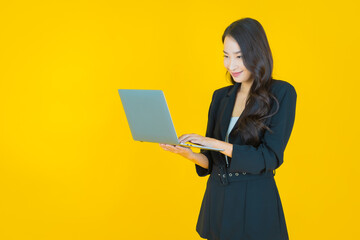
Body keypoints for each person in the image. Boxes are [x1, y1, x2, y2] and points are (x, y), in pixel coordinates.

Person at [159, 17, 296, 240]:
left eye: (239, 57)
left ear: (257, 53)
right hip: (218, 203)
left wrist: (216, 144)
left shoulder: (282, 94)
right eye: (226, 56)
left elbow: (270, 157)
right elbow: (212, 163)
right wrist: (190, 154)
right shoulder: (221, 97)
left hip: (255, 206)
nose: (231, 65)